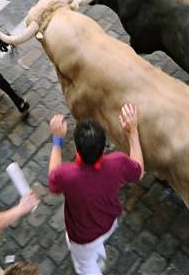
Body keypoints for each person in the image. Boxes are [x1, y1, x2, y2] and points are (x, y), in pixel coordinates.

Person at [48, 104, 143, 275]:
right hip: (109, 223)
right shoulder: (118, 162)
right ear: (103, 147)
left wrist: (57, 140)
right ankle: (97, 254)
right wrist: (133, 131)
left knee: (85, 266)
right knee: (95, 246)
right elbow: (139, 172)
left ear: (77, 148)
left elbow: (53, 180)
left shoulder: (67, 175)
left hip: (83, 238)